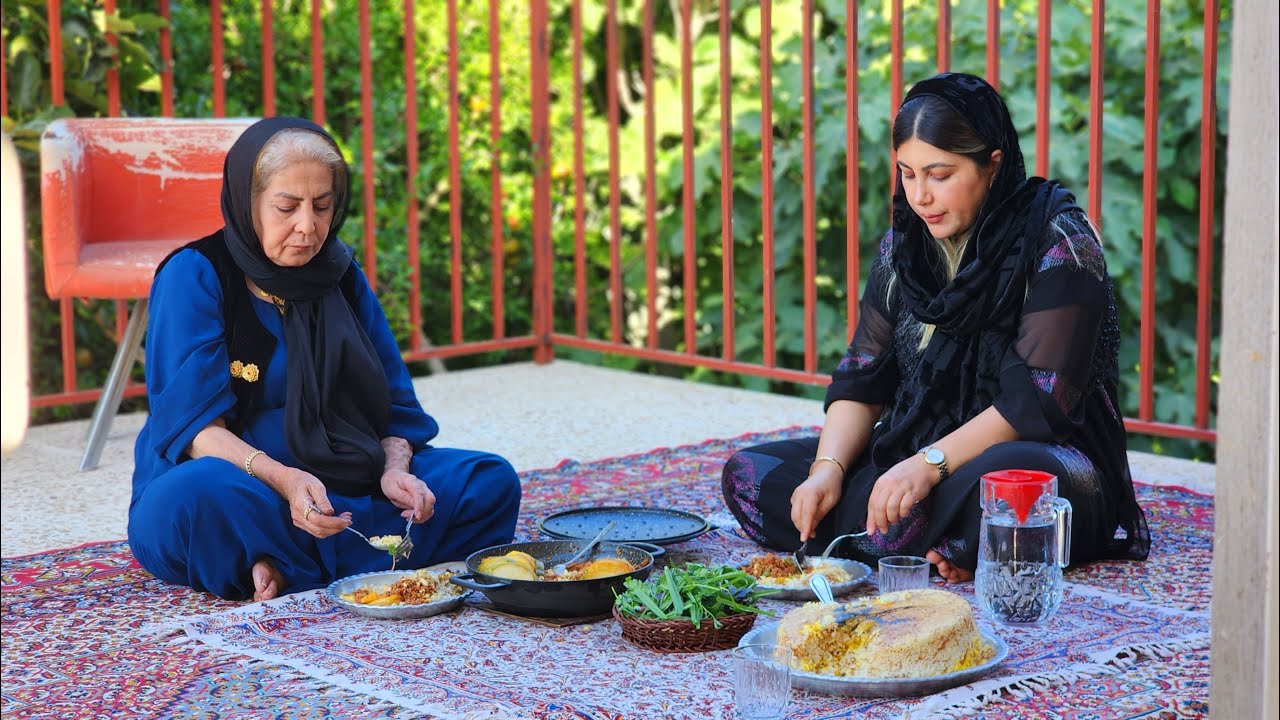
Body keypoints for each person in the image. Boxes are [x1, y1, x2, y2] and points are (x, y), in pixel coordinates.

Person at [721, 72, 1149, 583]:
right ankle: (944, 546)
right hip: (919, 448)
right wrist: (827, 471)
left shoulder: (1060, 243)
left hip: (1038, 458)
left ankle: (917, 536)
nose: (921, 196)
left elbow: (1035, 402)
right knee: (752, 474)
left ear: (993, 165)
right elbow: (864, 373)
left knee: (1019, 480)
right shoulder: (907, 246)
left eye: (940, 175)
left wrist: (928, 466)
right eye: (907, 174)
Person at [128, 117, 521, 601]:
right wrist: (287, 480)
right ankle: (329, 557)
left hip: (352, 479)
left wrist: (395, 470)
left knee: (489, 480)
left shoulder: (341, 275)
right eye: (287, 207)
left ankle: (283, 564)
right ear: (248, 202)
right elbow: (195, 431)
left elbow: (395, 408)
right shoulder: (196, 274)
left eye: (322, 206)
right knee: (195, 499)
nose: (307, 227)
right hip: (249, 483)